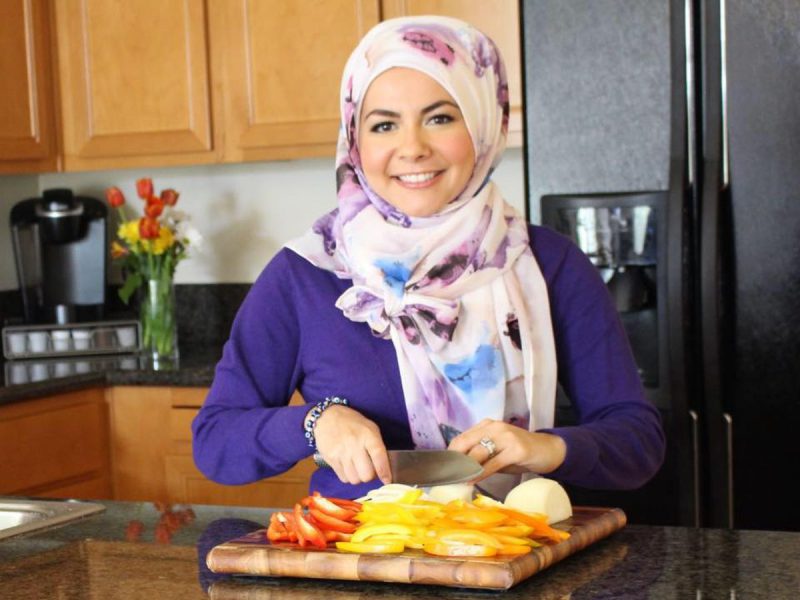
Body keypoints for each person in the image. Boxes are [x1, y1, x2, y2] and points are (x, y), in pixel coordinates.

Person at [192, 16, 665, 501]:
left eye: (440, 118)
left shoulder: (549, 263)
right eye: (384, 125)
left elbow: (638, 441)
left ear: (482, 123)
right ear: (355, 140)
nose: (412, 148)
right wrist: (315, 422)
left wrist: (546, 448)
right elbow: (215, 442)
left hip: (516, 543)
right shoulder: (304, 275)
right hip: (355, 547)